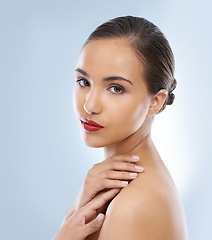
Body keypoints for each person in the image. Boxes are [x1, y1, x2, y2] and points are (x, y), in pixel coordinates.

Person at [54, 16, 188, 239]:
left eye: (116, 88)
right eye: (84, 82)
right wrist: (80, 200)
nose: (90, 105)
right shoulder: (110, 188)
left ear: (155, 101)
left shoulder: (134, 203)